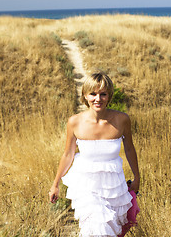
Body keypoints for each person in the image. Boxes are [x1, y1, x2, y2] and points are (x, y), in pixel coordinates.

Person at [49, 72, 140, 236]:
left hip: (114, 185)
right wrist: (55, 184)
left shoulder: (122, 120)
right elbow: (67, 154)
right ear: (85, 95)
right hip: (86, 186)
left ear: (109, 95)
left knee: (112, 229)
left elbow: (129, 149)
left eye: (103, 94)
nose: (98, 99)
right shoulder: (75, 122)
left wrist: (137, 177)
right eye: (93, 94)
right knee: (96, 227)